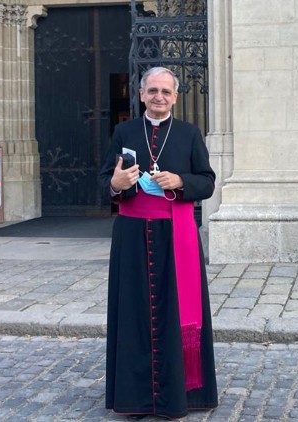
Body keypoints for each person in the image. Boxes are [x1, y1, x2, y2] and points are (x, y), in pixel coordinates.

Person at [98, 67, 218, 418]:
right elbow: (104, 180)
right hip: (132, 236)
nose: (159, 97)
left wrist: (181, 179)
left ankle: (183, 393)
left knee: (177, 310)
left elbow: (207, 182)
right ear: (140, 94)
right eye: (152, 90)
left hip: (175, 232)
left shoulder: (188, 133)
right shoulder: (124, 131)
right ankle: (135, 397)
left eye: (166, 91)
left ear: (175, 97)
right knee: (133, 311)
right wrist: (117, 183)